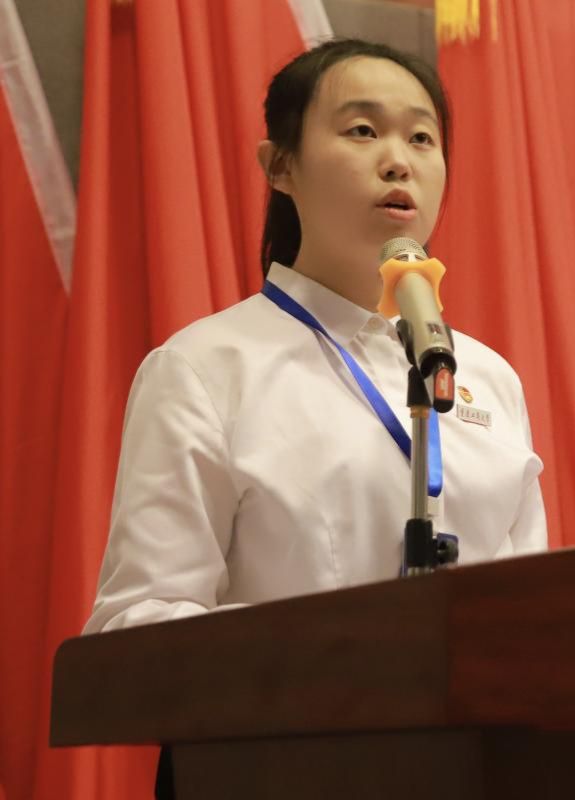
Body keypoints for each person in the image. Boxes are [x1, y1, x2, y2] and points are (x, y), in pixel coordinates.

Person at [83, 38, 547, 635]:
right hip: (292, 699)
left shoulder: (488, 377)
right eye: (362, 131)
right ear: (281, 166)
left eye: (421, 138)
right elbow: (136, 622)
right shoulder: (203, 369)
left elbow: (533, 614)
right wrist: (329, 653)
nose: (398, 162)